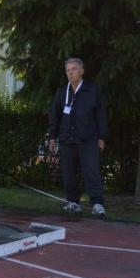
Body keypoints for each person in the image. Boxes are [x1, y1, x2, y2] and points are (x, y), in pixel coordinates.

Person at [48, 58, 108, 216]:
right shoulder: (62, 92)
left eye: (73, 69)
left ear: (81, 71)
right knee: (68, 173)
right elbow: (54, 117)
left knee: (91, 171)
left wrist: (101, 137)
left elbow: (100, 114)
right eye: (68, 70)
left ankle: (97, 204)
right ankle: (73, 202)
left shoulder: (92, 90)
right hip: (67, 139)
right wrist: (52, 138)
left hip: (88, 139)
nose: (70, 73)